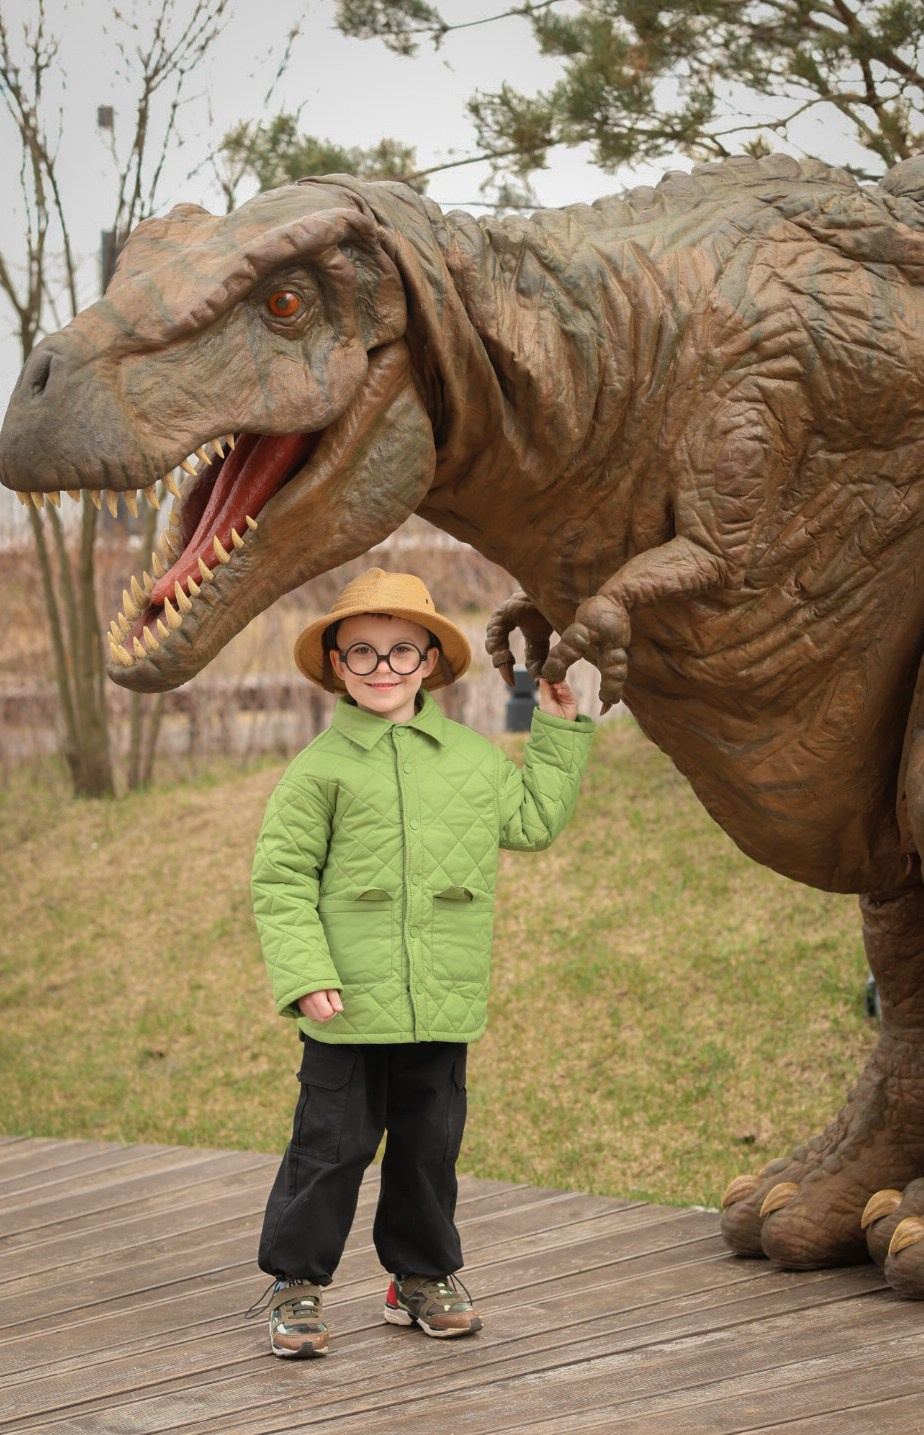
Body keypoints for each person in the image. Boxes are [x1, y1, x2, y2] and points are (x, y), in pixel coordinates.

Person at [250, 567, 594, 1358]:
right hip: (347, 1007)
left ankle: (420, 1276)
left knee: (429, 1145)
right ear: (336, 663)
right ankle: (296, 1283)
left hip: (440, 997)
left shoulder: (471, 763)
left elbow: (535, 819)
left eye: (401, 653)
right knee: (329, 1146)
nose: (383, 669)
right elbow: (281, 878)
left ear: (431, 663)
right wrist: (305, 974)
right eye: (363, 653)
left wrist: (559, 731)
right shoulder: (320, 771)